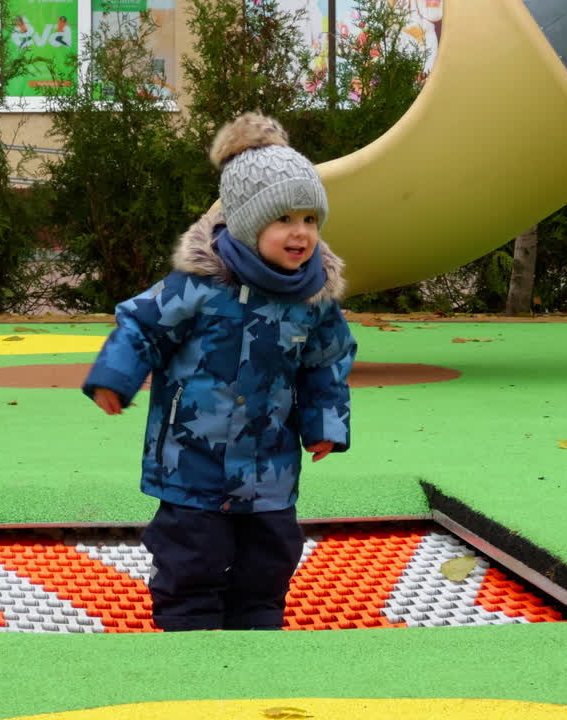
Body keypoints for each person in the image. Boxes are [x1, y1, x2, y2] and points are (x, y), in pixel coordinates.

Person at [81, 112, 357, 631]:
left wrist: (325, 425)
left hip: (270, 466)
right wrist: (114, 376)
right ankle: (187, 621)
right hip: (192, 458)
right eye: (284, 220)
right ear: (249, 224)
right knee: (192, 554)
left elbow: (326, 364)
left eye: (310, 220)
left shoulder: (313, 299)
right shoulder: (199, 285)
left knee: (271, 555)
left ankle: (257, 620)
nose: (300, 234)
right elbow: (142, 326)